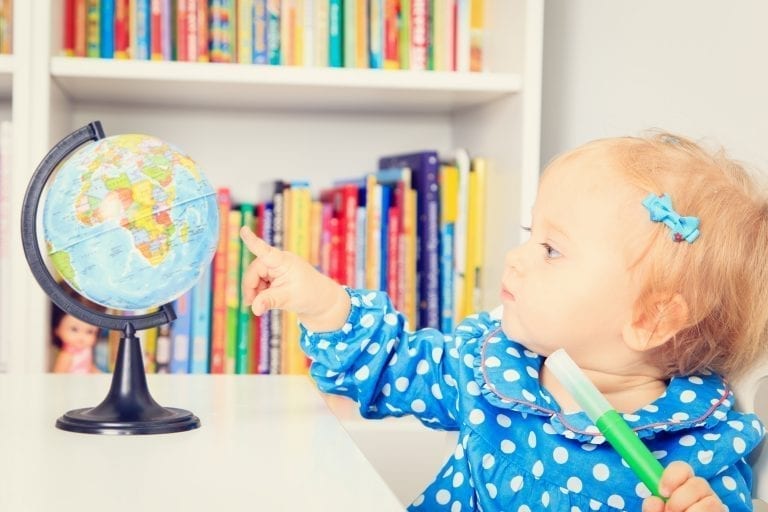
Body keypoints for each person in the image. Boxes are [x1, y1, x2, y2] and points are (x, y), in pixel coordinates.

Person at [240, 132, 768, 511]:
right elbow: (389, 363)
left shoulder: (701, 453)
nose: (516, 258)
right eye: (528, 233)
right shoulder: (487, 367)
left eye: (552, 250)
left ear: (651, 319)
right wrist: (321, 302)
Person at [51, 292, 103, 374]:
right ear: (57, 329)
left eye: (89, 332)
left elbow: (90, 367)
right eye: (74, 329)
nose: (81, 337)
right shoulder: (67, 354)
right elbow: (58, 374)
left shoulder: (87, 350)